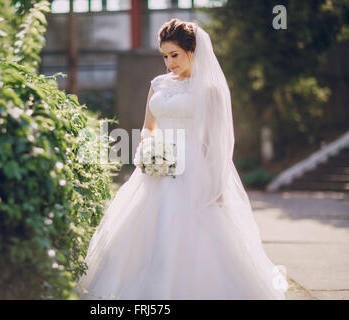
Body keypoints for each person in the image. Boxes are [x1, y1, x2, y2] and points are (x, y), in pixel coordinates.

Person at [75, 18, 288, 300]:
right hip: (155, 170)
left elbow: (216, 143)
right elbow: (149, 127)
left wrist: (218, 186)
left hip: (194, 170)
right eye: (165, 56)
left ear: (193, 51)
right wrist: (149, 150)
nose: (169, 62)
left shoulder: (209, 89)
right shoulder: (159, 84)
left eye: (174, 55)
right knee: (145, 232)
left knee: (194, 233)